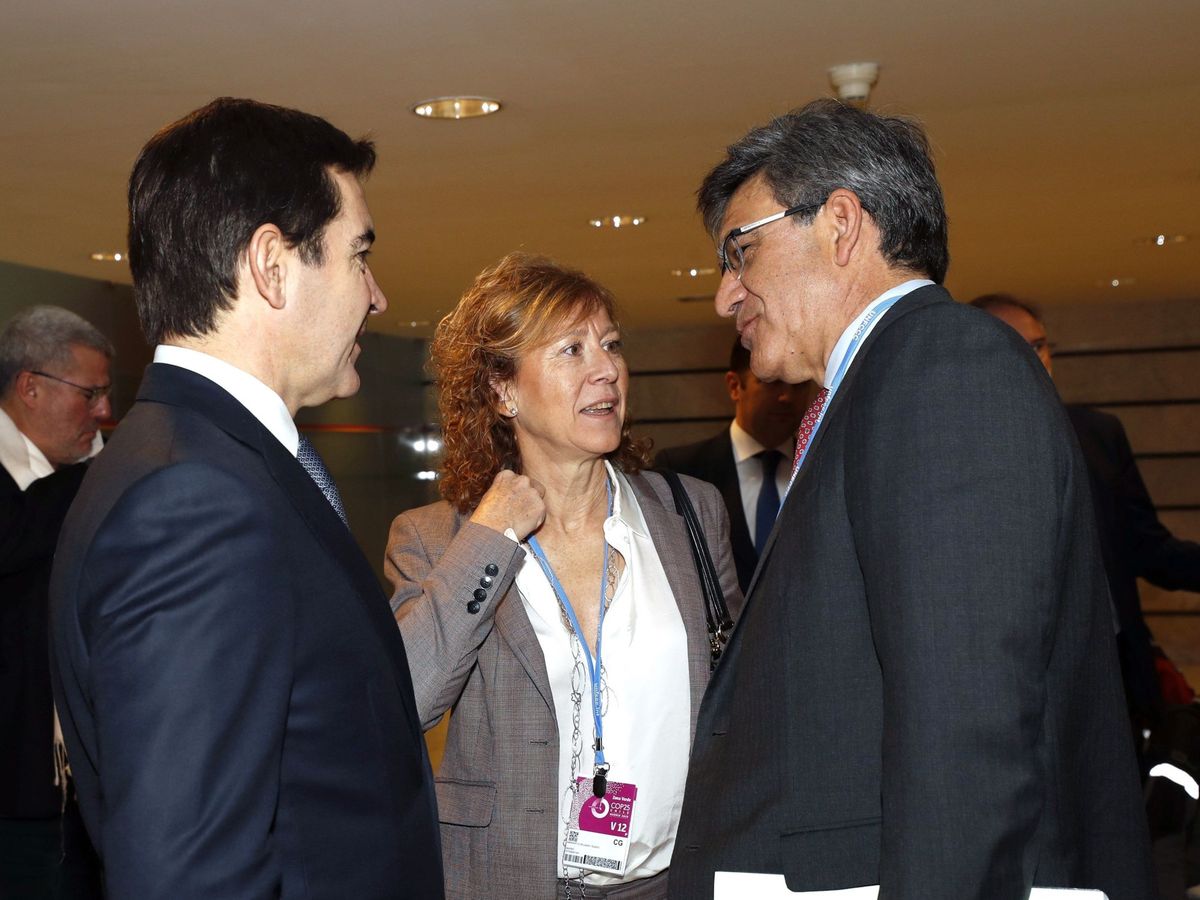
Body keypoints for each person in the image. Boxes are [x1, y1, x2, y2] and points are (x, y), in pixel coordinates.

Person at [668, 99, 1153, 900]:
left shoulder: (943, 367)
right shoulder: (882, 384)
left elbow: (966, 725)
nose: (727, 295)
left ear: (841, 224)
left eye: (740, 253)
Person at [48, 98, 442, 898]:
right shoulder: (193, 500)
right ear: (270, 265)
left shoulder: (207, 461)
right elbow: (190, 876)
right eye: (357, 256)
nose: (377, 295)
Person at [384, 252, 741, 900]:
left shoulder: (691, 512)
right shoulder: (437, 539)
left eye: (610, 345)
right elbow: (404, 697)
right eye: (571, 350)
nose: (606, 370)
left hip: (679, 880)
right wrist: (490, 536)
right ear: (503, 389)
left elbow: (739, 698)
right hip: (513, 882)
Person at [971, 294, 1200, 733]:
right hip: (1018, 682)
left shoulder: (1099, 434)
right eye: (1014, 346)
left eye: (1038, 345)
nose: (1034, 359)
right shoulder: (955, 447)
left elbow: (1148, 548)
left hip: (1117, 674)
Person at [1, 306, 108, 898]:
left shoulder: (85, 478)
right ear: (30, 387)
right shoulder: (77, 482)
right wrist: (101, 469)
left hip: (85, 796)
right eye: (90, 394)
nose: (104, 413)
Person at [654, 338, 814, 593]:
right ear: (734, 386)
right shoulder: (679, 472)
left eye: (799, 385)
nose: (786, 396)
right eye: (771, 383)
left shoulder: (821, 468)